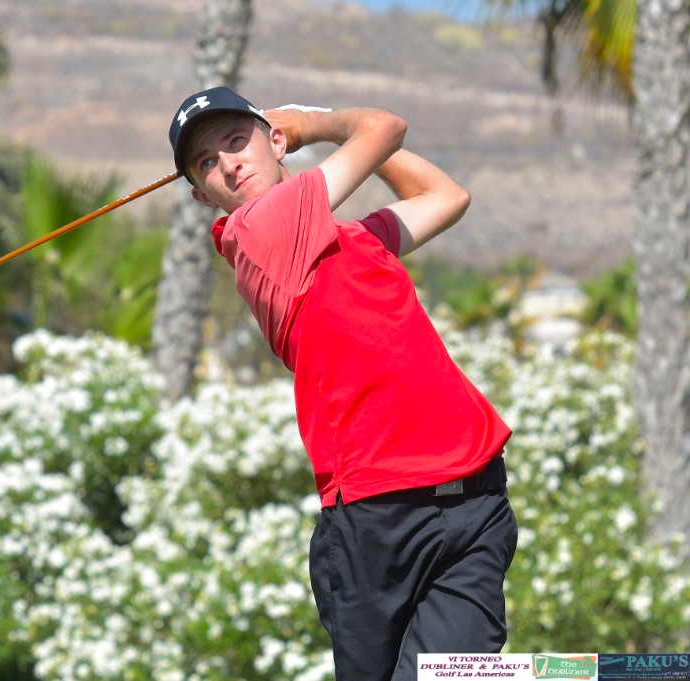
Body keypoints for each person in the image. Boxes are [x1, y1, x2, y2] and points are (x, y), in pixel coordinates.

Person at [168, 86, 518, 681]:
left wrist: (310, 130)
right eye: (207, 163)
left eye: (236, 141)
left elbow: (445, 196)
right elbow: (384, 125)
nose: (228, 163)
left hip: (475, 499)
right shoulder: (259, 229)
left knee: (454, 676)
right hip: (378, 521)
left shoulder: (351, 239)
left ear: (269, 141)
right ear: (206, 198)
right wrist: (314, 125)